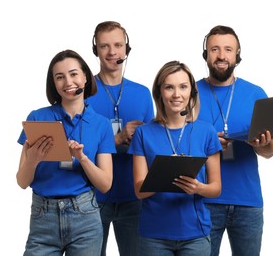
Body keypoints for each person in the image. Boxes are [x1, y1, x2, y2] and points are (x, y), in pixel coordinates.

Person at [16, 49, 116, 256]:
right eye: (59, 77)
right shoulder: (37, 118)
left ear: (85, 77)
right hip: (43, 217)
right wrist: (32, 160)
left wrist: (82, 158)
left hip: (85, 217)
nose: (68, 82)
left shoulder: (101, 124)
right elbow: (22, 181)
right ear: (53, 83)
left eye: (73, 74)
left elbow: (105, 185)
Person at [197, 25, 273, 256]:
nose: (221, 56)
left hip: (248, 202)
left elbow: (269, 151)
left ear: (237, 55)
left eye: (227, 49)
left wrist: (264, 145)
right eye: (214, 49)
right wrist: (207, 145)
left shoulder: (256, 94)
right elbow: (175, 144)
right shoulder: (188, 93)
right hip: (203, 201)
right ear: (206, 54)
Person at [128, 60, 222, 256]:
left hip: (196, 235)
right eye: (169, 87)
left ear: (192, 92)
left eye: (183, 87)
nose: (177, 94)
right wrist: (162, 174)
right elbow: (138, 190)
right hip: (154, 236)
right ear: (160, 92)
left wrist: (198, 188)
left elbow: (216, 188)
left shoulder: (206, 131)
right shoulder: (143, 133)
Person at [86, 21, 154, 256]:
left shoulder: (144, 93)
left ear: (127, 50)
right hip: (92, 198)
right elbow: (74, 149)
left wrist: (144, 139)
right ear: (96, 50)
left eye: (117, 45)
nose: (112, 52)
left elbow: (152, 149)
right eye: (104, 46)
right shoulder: (82, 92)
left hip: (134, 197)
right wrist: (117, 139)